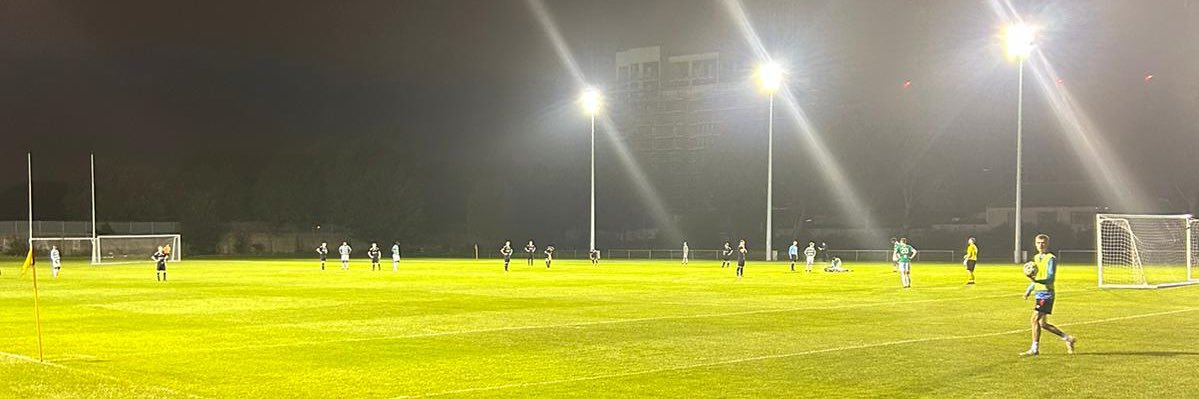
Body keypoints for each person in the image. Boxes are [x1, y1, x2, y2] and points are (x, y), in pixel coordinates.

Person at [1021, 234, 1077, 356]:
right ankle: (1068, 338)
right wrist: (1029, 290)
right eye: (1038, 243)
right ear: (1035, 244)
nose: (1040, 245)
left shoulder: (1051, 258)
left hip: (1046, 294)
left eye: (1043, 243)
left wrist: (1035, 281)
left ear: (1047, 244)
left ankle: (1034, 349)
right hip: (1039, 293)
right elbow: (1036, 277)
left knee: (1034, 319)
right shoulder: (1036, 258)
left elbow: (1050, 278)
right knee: (1043, 324)